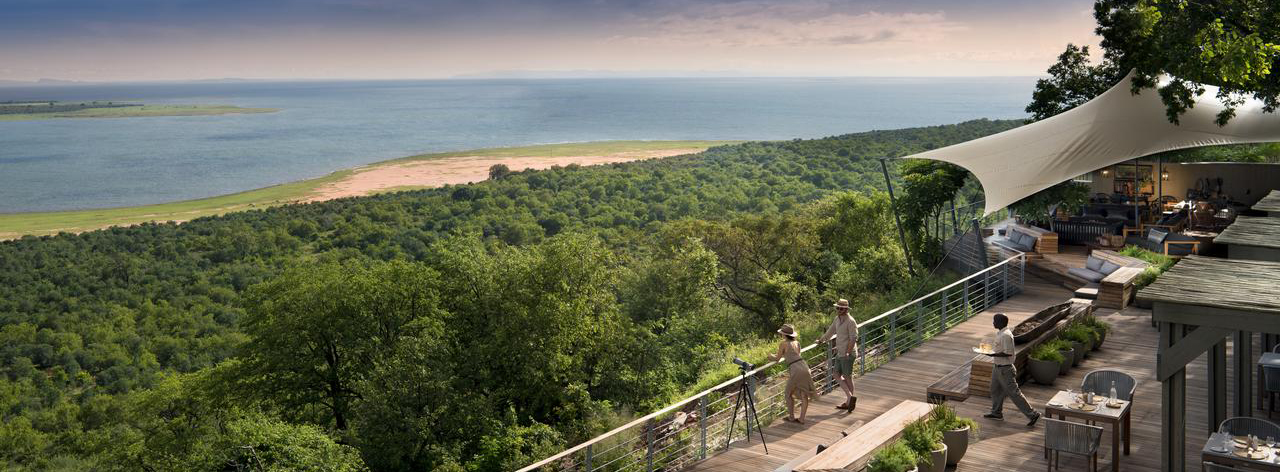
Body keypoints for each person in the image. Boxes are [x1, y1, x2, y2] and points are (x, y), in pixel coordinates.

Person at [985, 313, 1041, 426]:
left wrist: (992, 354)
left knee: (1014, 393)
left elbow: (1008, 353)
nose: (993, 323)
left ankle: (1033, 414)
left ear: (1001, 322)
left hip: (1005, 370)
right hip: (997, 368)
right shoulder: (1001, 333)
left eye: (995, 321)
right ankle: (996, 413)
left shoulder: (1006, 335)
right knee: (995, 390)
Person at [768, 324, 816, 424]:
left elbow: (777, 359)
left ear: (784, 335)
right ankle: (802, 418)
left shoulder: (783, 344)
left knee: (788, 394)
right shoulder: (797, 343)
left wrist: (769, 356)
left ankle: (791, 417)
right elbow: (797, 355)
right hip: (804, 366)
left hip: (795, 369)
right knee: (804, 394)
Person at [820, 298, 858, 411]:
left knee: (847, 377)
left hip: (848, 353)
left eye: (841, 308)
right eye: (837, 308)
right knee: (836, 374)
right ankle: (850, 398)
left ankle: (849, 402)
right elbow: (830, 331)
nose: (839, 310)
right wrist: (821, 340)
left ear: (846, 309)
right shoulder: (837, 319)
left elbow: (853, 338)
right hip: (840, 352)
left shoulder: (851, 321)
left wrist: (847, 352)